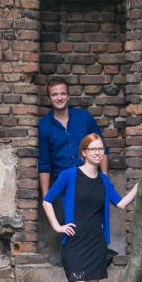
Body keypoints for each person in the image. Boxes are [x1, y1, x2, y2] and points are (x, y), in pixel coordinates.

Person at [42, 134, 137, 282]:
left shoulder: (104, 180)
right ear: (83, 152)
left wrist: (141, 182)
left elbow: (121, 203)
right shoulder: (69, 175)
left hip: (96, 242)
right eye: (92, 149)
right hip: (74, 241)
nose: (96, 152)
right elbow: (47, 200)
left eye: (100, 149)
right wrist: (57, 226)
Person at [37, 78, 108, 259]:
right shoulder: (45, 125)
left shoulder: (84, 119)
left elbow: (102, 148)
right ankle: (71, 261)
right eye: (54, 94)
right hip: (64, 182)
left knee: (94, 220)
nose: (59, 97)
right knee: (68, 223)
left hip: (90, 177)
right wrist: (47, 196)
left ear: (68, 96)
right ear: (49, 98)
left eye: (62, 93)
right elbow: (44, 163)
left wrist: (104, 177)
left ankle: (96, 258)